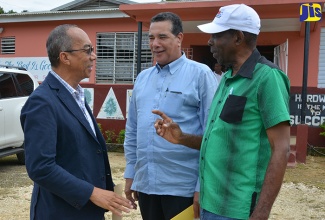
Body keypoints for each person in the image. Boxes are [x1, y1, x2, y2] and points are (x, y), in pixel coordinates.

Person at [153, 4, 290, 220]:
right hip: (210, 204)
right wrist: (182, 138)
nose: (209, 41)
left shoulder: (268, 78)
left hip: (239, 210)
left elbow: (281, 149)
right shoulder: (226, 78)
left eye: (216, 35)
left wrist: (262, 212)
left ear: (237, 37)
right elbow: (219, 140)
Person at [20, 24, 133, 220]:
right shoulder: (42, 102)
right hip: (61, 212)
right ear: (65, 57)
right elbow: (41, 167)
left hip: (85, 210)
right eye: (87, 50)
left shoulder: (76, 95)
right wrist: (92, 193)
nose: (94, 56)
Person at [123, 12, 218, 220]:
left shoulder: (201, 75)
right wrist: (131, 174)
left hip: (182, 189)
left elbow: (213, 137)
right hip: (146, 186)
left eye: (162, 37)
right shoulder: (142, 79)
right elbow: (132, 131)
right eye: (151, 38)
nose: (155, 43)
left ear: (179, 38)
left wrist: (202, 187)